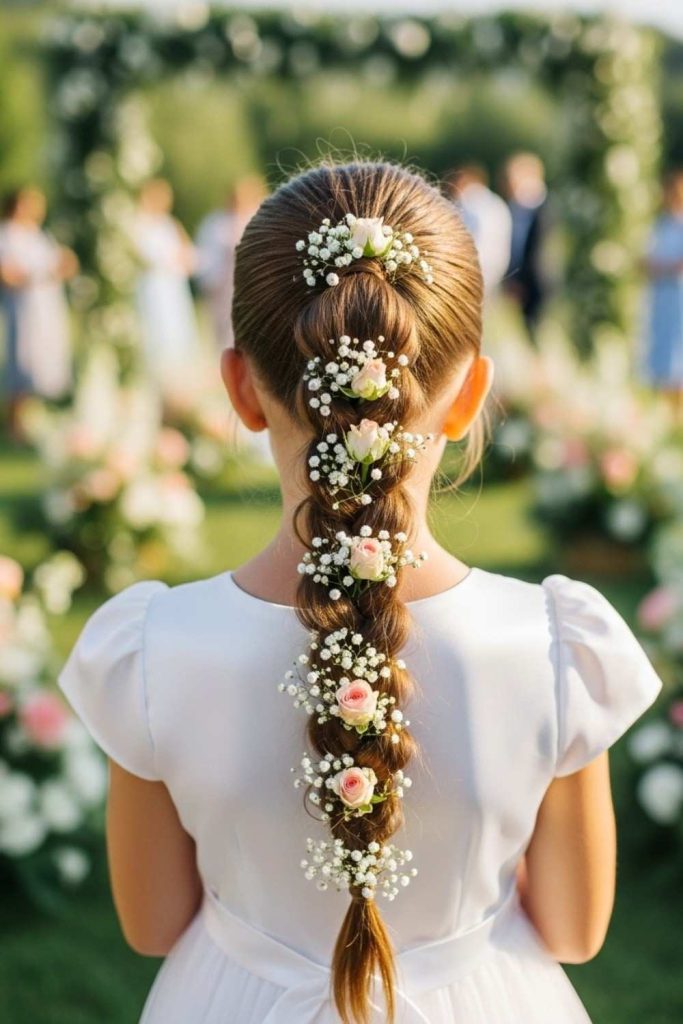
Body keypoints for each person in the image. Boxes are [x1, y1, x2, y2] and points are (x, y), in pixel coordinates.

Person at [57, 161, 662, 1024]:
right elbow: (572, 931)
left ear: (240, 389)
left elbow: (153, 924)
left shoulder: (153, 648)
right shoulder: (554, 648)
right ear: (469, 395)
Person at [0, 186, 77, 438]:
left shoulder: (40, 235)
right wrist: (40, 274)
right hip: (22, 309)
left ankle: (36, 421)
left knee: (44, 364)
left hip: (47, 308)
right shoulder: (6, 235)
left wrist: (65, 265)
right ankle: (14, 425)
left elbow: (61, 265)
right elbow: (7, 275)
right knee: (22, 363)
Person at [132, 178, 199, 397]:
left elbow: (188, 252)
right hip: (152, 287)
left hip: (172, 287)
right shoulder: (137, 224)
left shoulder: (170, 224)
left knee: (176, 335)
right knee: (154, 334)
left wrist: (183, 259)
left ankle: (175, 389)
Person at [194, 175, 267, 350]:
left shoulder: (259, 218)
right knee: (224, 325)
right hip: (224, 282)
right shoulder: (216, 223)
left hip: (252, 280)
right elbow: (206, 255)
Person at [640, 169, 683, 418]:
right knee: (659, 354)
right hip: (660, 296)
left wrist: (661, 267)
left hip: (678, 296)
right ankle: (663, 413)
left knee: (677, 355)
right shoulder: (660, 224)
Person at [502, 151, 553, 346]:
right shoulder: (516, 208)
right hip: (520, 279)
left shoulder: (545, 209)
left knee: (537, 333)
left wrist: (522, 280)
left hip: (538, 282)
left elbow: (538, 252)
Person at [448, 164, 512, 296]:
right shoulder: (496, 202)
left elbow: (475, 239)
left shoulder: (471, 204)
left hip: (477, 266)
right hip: (495, 267)